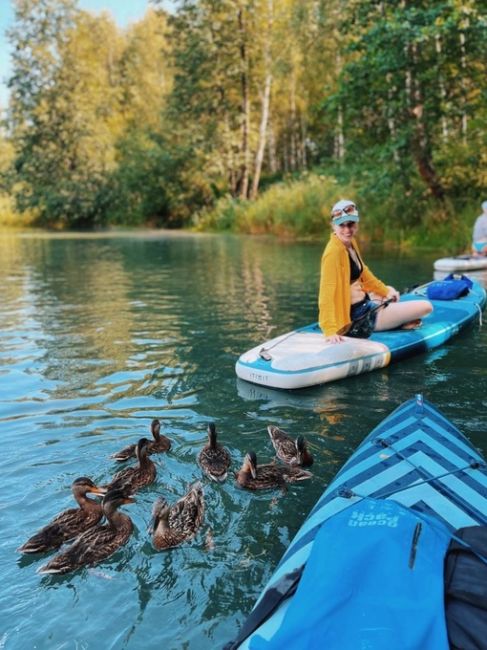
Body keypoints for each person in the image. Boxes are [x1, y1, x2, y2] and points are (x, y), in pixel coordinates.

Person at [318, 199, 433, 344]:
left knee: (389, 290)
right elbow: (326, 292)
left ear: (357, 224)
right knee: (426, 306)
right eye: (342, 225)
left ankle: (397, 318)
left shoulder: (349, 243)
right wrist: (329, 330)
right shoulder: (333, 252)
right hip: (358, 318)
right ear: (333, 226)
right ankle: (398, 321)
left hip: (365, 303)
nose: (347, 230)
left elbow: (364, 274)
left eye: (351, 224)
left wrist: (385, 291)